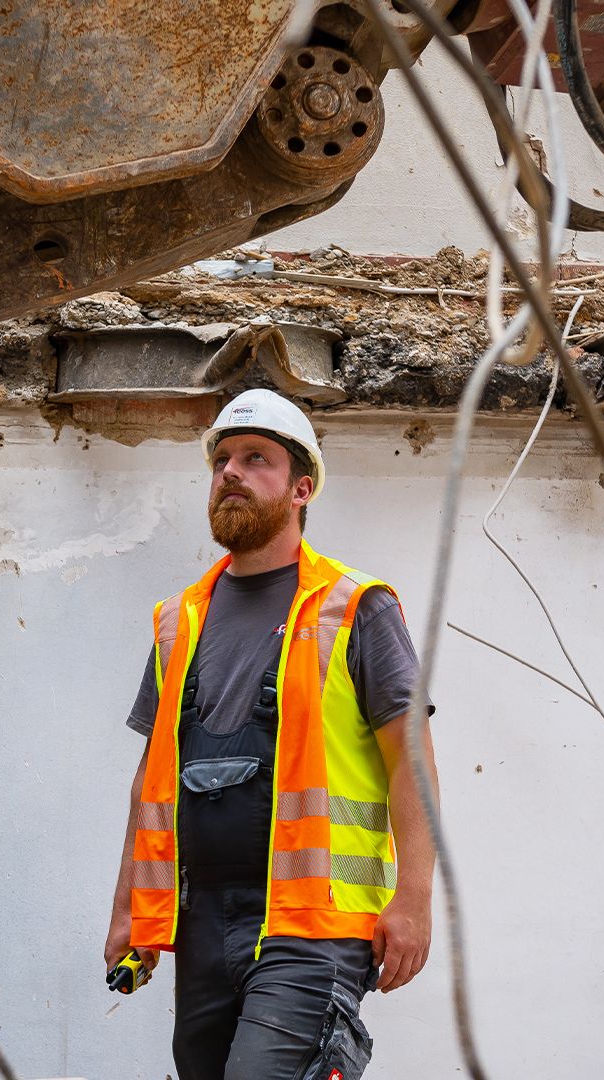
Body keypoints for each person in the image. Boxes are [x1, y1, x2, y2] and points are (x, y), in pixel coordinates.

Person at [103, 388, 440, 1080]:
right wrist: (128, 910)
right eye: (222, 459)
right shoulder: (177, 620)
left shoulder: (356, 607)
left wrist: (414, 898)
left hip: (312, 927)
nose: (230, 471)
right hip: (202, 922)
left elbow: (411, 760)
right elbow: (151, 778)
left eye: (256, 458)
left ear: (300, 489)